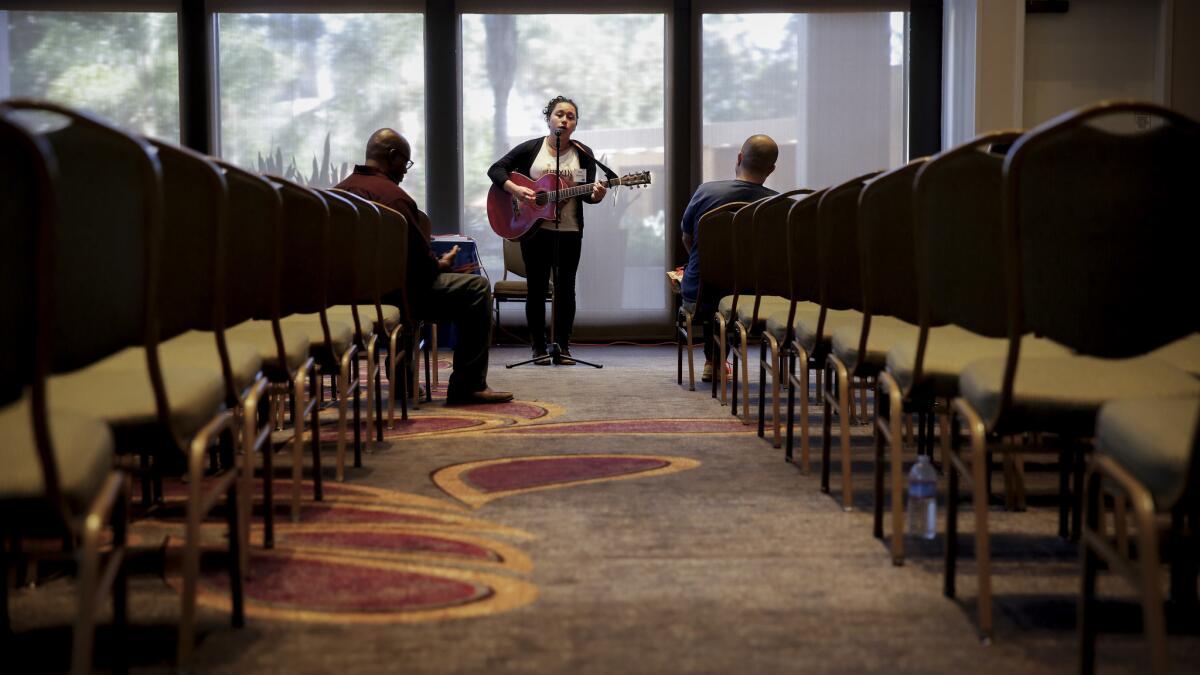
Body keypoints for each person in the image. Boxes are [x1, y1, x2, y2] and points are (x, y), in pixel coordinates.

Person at [335, 128, 513, 405]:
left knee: (405, 285)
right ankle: (468, 385)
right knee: (476, 288)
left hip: (346, 298)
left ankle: (402, 381)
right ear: (393, 157)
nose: (405, 171)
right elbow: (420, 265)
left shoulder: (334, 195)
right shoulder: (395, 199)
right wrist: (441, 264)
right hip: (398, 297)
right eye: (405, 163)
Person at [487, 95, 615, 365]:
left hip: (569, 230)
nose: (564, 120)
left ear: (576, 124)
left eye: (570, 116)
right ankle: (538, 347)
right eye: (559, 114)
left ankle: (564, 346)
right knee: (536, 288)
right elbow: (496, 169)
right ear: (549, 119)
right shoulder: (531, 149)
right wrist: (517, 190)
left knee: (567, 289)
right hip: (535, 230)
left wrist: (598, 195)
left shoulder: (583, 154)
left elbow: (586, 194)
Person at [679, 134, 779, 382]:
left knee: (714, 291)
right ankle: (718, 360)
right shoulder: (777, 203)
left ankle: (713, 361)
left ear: (739, 158)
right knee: (731, 295)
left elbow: (687, 239)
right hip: (752, 299)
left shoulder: (706, 192)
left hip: (701, 297)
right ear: (771, 169)